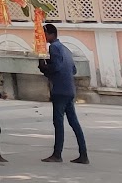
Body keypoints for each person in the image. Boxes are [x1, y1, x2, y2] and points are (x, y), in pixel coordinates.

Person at [39, 22, 89, 164]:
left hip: (60, 90)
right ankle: (83, 153)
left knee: (58, 122)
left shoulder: (54, 48)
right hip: (69, 89)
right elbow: (73, 70)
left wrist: (45, 68)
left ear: (50, 34)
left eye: (44, 35)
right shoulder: (65, 49)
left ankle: (57, 154)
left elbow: (56, 67)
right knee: (74, 122)